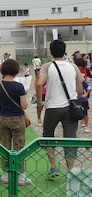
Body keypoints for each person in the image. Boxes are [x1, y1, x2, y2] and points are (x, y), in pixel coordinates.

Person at [35, 39, 84, 178]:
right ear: (64, 51)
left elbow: (39, 84)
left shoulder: (47, 66)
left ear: (50, 52)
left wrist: (40, 102)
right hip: (71, 107)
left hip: (53, 107)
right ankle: (70, 170)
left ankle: (53, 167)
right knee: (70, 137)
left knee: (48, 135)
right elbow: (80, 91)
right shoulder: (73, 67)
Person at [0, 58, 30, 185]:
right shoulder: (19, 86)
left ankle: (6, 174)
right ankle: (20, 175)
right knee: (19, 146)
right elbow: (24, 105)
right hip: (17, 118)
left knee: (5, 146)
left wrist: (3, 102)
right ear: (16, 71)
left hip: (3, 118)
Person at [74, 57, 90, 133]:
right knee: (74, 112)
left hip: (83, 99)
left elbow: (89, 88)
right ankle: (75, 125)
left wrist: (86, 94)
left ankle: (86, 125)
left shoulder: (83, 81)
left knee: (85, 113)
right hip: (75, 98)